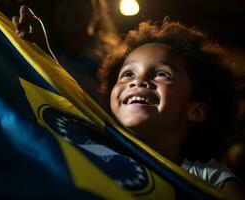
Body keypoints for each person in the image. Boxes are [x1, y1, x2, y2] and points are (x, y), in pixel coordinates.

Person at [97, 20, 245, 199]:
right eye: (128, 74)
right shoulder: (91, 150)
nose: (139, 80)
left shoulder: (213, 181)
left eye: (162, 74)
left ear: (196, 111)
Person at [12, 0, 120, 102]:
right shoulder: (44, 49)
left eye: (79, 1)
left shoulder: (112, 56)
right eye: (62, 1)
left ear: (95, 9)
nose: (70, 7)